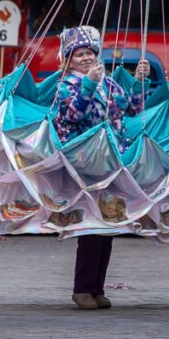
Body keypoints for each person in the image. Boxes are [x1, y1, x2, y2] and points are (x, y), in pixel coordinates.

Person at [53, 26, 148, 310]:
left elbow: (131, 110)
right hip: (84, 165)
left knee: (108, 226)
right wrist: (88, 85)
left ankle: (97, 287)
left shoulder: (109, 84)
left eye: (89, 53)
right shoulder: (65, 85)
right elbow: (70, 116)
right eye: (79, 54)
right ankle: (82, 289)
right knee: (91, 226)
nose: (85, 58)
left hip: (112, 163)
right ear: (69, 60)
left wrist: (139, 83)